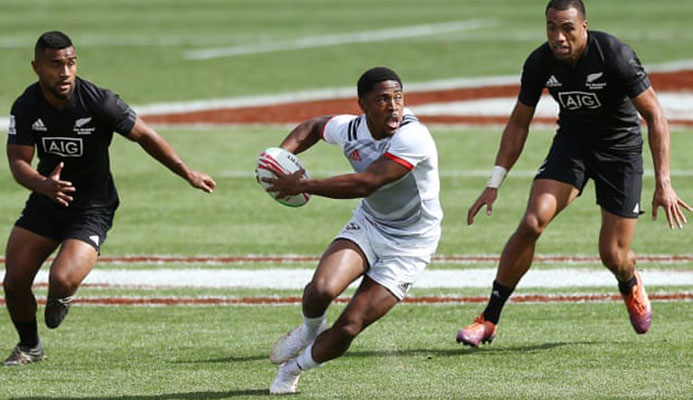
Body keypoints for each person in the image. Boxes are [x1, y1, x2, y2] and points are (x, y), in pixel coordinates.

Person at [457, 0, 691, 347]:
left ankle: (630, 283)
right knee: (533, 221)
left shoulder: (614, 54)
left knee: (613, 255)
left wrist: (664, 183)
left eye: (567, 27)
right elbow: (519, 120)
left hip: (620, 152)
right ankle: (488, 319)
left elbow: (655, 115)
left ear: (584, 27)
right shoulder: (539, 62)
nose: (559, 36)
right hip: (573, 145)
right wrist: (494, 183)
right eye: (552, 27)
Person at [3, 31, 216, 366]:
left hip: (92, 206)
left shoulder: (99, 102)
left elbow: (145, 135)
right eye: (55, 64)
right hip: (47, 199)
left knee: (61, 278)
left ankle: (62, 295)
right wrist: (42, 184)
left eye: (71, 63)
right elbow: (17, 162)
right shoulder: (27, 105)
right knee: (14, 282)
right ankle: (30, 346)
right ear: (36, 67)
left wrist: (186, 171)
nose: (65, 72)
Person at [260, 67, 442, 394]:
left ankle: (292, 370)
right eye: (383, 99)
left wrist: (301, 184)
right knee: (320, 289)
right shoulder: (351, 128)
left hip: (411, 244)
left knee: (349, 326)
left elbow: (366, 182)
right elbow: (313, 126)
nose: (394, 106)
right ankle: (309, 329)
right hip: (371, 223)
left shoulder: (413, 137)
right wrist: (280, 157)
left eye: (398, 98)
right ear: (363, 105)